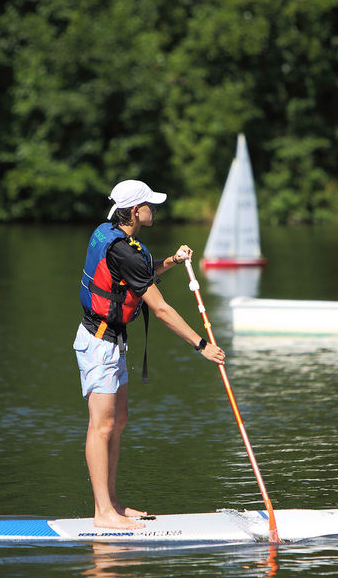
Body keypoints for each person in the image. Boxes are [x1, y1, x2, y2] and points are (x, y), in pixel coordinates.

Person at [74, 179, 226, 530]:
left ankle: (113, 504)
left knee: (119, 419)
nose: (153, 210)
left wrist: (172, 260)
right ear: (133, 211)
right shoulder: (122, 250)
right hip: (98, 344)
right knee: (102, 426)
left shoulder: (112, 235)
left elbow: (139, 274)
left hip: (114, 341)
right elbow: (161, 310)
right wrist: (201, 345)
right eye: (149, 205)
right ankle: (102, 514)